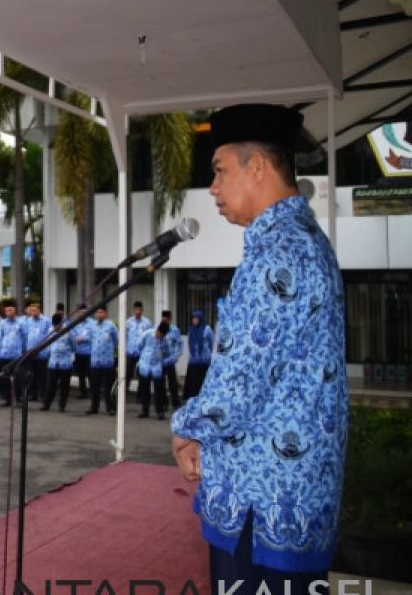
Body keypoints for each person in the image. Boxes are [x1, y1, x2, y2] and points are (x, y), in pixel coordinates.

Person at [171, 103, 347, 588]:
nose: (213, 189)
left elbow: (241, 381)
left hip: (264, 501)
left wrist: (187, 427)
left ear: (257, 167)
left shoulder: (281, 254)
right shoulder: (305, 240)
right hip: (287, 498)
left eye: (220, 171)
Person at [82, 306, 117, 416]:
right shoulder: (92, 326)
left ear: (105, 314)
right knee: (94, 386)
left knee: (108, 387)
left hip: (107, 361)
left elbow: (117, 340)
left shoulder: (111, 325)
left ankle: (111, 408)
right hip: (95, 360)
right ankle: (94, 407)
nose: (99, 314)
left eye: (101, 312)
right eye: (97, 312)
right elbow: (87, 338)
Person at [39, 313, 74, 412]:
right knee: (50, 385)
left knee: (64, 386)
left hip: (65, 363)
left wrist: (66, 353)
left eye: (57, 326)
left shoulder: (68, 332)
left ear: (62, 323)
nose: (56, 328)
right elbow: (47, 344)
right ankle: (46, 404)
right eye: (54, 325)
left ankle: (62, 405)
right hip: (53, 362)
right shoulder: (50, 331)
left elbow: (74, 346)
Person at [136, 318, 169, 419]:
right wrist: (144, 356)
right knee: (144, 389)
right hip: (144, 365)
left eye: (163, 335)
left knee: (159, 391)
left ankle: (160, 411)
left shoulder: (164, 341)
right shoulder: (148, 334)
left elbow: (166, 352)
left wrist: (161, 361)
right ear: (157, 330)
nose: (160, 336)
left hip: (157, 367)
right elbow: (139, 345)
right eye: (160, 334)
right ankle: (145, 410)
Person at [21, 302, 51, 401]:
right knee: (31, 375)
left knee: (42, 375)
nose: (33, 312)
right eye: (31, 310)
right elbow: (25, 336)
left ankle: (43, 394)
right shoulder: (28, 321)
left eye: (35, 310)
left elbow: (49, 335)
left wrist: (46, 349)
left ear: (39, 310)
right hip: (30, 352)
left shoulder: (46, 321)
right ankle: (33, 394)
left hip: (42, 352)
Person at [0, 301, 24, 406]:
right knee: (6, 378)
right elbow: (2, 336)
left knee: (17, 378)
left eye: (10, 310)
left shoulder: (21, 323)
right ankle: (8, 399)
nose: (8, 312)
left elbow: (24, 337)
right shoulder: (3, 323)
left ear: (15, 310)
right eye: (6, 310)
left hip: (16, 354)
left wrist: (23, 351)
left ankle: (18, 398)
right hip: (5, 354)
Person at [183, 309, 213, 400]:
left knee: (203, 383)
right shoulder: (190, 330)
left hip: (204, 362)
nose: (194, 320)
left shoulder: (207, 329)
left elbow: (211, 344)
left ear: (200, 319)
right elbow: (190, 344)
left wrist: (207, 355)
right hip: (193, 361)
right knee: (193, 384)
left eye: (196, 318)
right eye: (193, 318)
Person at [124, 301, 151, 400]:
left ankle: (140, 396)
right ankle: (124, 395)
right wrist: (125, 348)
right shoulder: (128, 322)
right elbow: (124, 336)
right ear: (133, 310)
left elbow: (150, 337)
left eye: (140, 309)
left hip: (142, 353)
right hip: (130, 352)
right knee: (127, 374)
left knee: (142, 375)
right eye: (136, 309)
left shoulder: (147, 323)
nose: (138, 311)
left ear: (142, 310)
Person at [71, 304, 92, 399]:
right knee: (81, 374)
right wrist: (76, 339)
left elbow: (93, 336)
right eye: (79, 312)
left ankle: (93, 392)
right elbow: (72, 334)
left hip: (89, 353)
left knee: (90, 374)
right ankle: (83, 392)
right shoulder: (75, 323)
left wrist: (83, 339)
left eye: (82, 312)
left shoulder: (92, 323)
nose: (80, 314)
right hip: (78, 352)